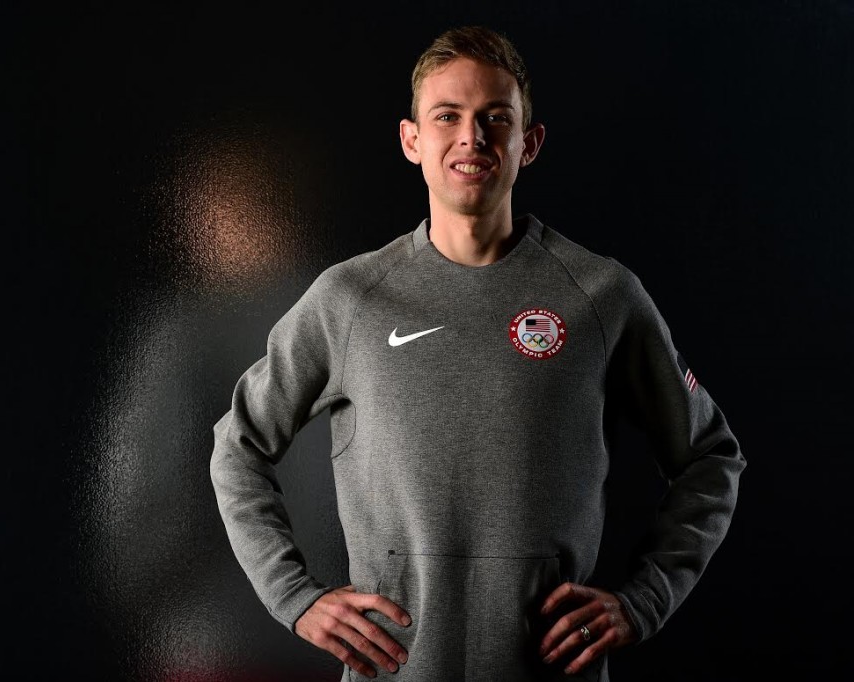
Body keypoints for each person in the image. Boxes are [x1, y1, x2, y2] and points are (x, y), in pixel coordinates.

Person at [209, 24, 746, 682]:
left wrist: (646, 600)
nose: (473, 137)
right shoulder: (350, 299)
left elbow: (711, 458)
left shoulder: (602, 296)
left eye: (497, 118)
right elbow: (238, 445)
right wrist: (296, 599)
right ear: (413, 140)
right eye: (448, 117)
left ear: (530, 143)